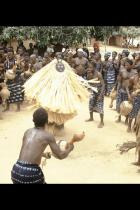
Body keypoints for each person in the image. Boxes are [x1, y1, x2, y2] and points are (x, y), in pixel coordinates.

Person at [11, 108, 85, 184]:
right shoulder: (48, 136)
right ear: (47, 121)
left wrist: (43, 154)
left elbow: (28, 151)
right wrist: (70, 148)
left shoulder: (27, 132)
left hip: (16, 170)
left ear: (33, 120)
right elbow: (60, 155)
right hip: (31, 173)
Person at [116, 58, 136, 123]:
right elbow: (119, 81)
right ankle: (119, 117)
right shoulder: (122, 71)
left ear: (131, 65)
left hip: (130, 92)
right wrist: (117, 90)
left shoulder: (134, 73)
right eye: (125, 65)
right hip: (122, 90)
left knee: (128, 106)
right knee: (120, 105)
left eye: (127, 65)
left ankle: (126, 119)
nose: (126, 66)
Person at [85, 62, 105, 128]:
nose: (89, 69)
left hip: (99, 91)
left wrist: (101, 95)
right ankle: (91, 118)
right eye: (88, 67)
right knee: (91, 104)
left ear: (94, 67)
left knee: (100, 106)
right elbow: (89, 83)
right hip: (93, 91)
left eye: (91, 67)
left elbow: (103, 85)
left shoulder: (98, 74)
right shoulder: (88, 74)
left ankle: (102, 122)